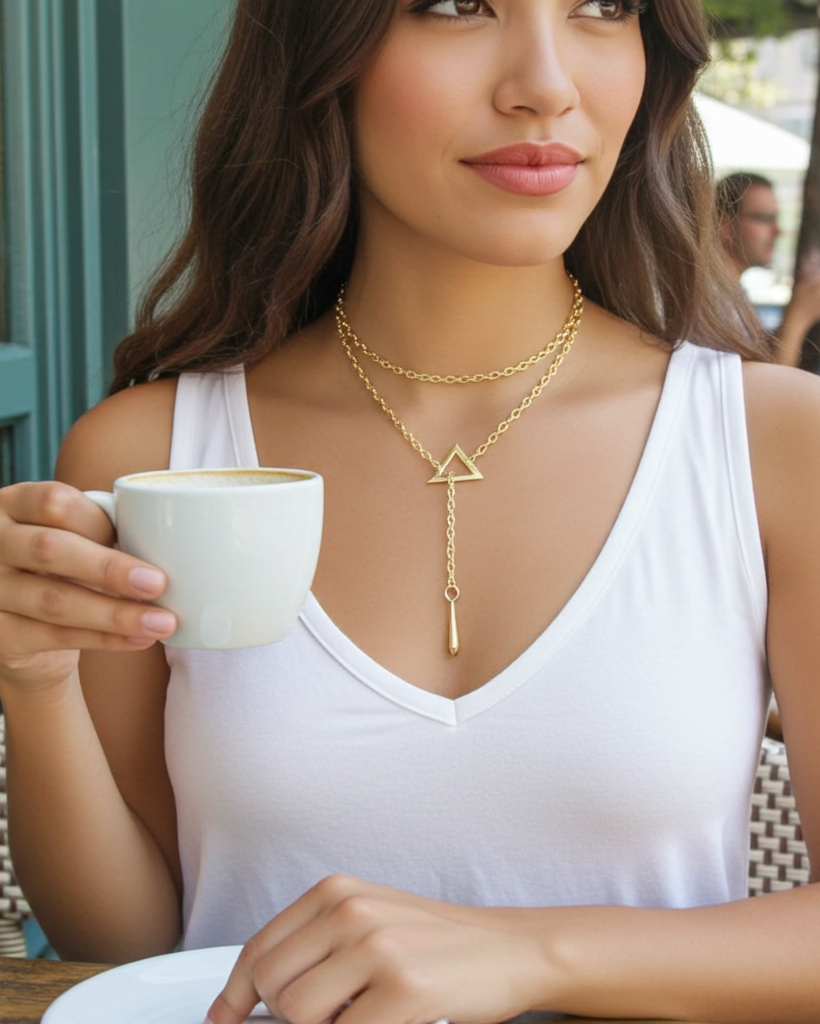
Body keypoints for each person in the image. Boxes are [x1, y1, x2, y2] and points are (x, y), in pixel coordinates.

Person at [0, 1, 819, 1022]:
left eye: (602, 8)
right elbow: (124, 945)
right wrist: (34, 680)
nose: (546, 83)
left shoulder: (776, 444)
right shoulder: (148, 458)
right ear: (321, 51)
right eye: (455, 5)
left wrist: (533, 953)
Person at [716, 170, 820, 367]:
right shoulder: (712, 300)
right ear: (723, 223)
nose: (777, 230)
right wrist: (799, 317)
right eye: (764, 218)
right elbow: (762, 390)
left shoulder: (733, 294)